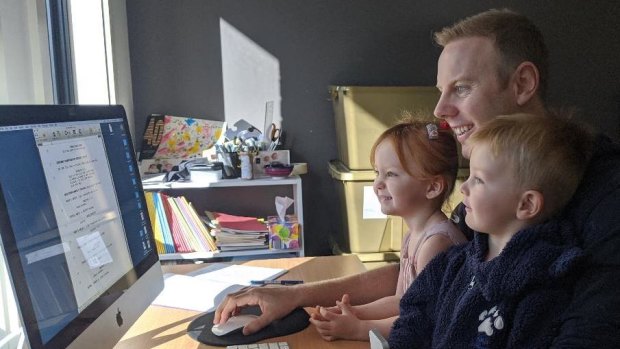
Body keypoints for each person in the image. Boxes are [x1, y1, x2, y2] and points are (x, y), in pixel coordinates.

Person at [215, 9, 620, 345]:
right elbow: (426, 279)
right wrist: (295, 296)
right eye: (441, 90)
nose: (440, 109)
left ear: (523, 84)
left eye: (461, 88)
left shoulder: (605, 194)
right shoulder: (489, 196)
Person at [388, 112, 594, 348]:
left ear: (526, 204)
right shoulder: (454, 262)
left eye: (479, 179)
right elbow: (415, 313)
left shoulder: (543, 286)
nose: (464, 187)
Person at [309, 115, 467, 341]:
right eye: (377, 173)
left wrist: (356, 329)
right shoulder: (414, 234)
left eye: (391, 174)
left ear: (432, 187)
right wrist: (355, 313)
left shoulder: (437, 243)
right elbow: (402, 300)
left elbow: (422, 322)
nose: (377, 184)